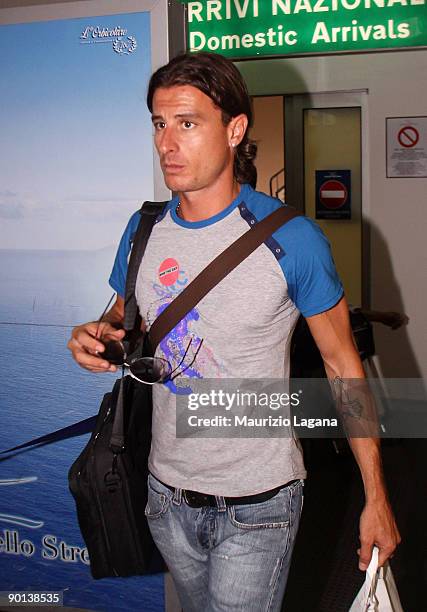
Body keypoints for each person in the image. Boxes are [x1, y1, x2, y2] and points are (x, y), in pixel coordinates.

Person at [67, 52, 400, 611]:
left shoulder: (293, 239)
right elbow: (124, 319)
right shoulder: (143, 228)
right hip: (165, 493)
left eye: (188, 123)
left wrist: (376, 496)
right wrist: (98, 336)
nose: (167, 142)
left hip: (259, 501)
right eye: (159, 123)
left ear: (234, 129)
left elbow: (344, 367)